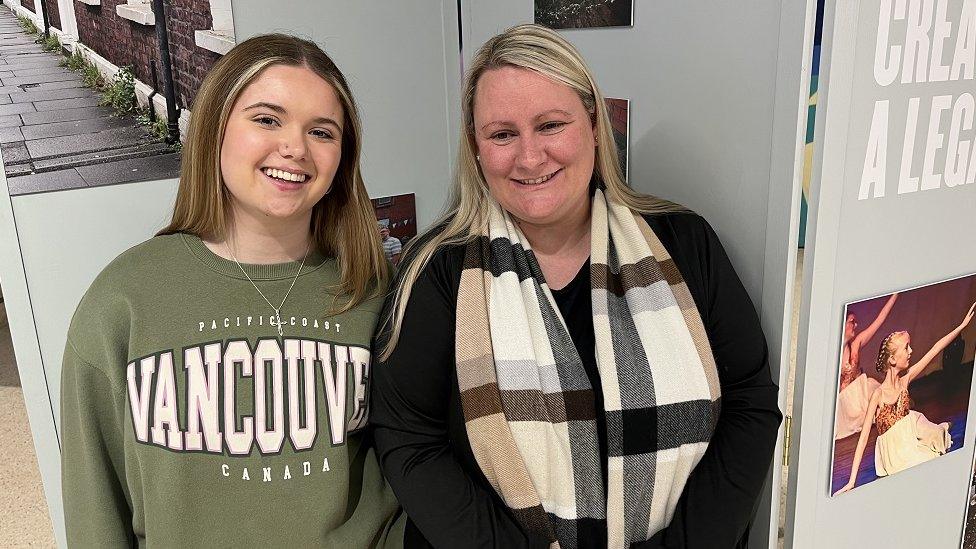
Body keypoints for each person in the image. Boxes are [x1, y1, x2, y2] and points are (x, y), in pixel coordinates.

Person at [370, 24, 781, 548]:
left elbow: (751, 399)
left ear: (593, 124)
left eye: (550, 125)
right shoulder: (435, 275)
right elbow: (410, 443)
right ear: (476, 149)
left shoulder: (685, 244)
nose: (530, 157)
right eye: (502, 134)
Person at [60, 34, 401, 547]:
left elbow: (412, 466)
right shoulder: (122, 301)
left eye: (322, 132)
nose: (295, 148)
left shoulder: (373, 293)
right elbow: (95, 507)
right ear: (216, 129)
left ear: (342, 156)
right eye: (266, 119)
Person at [835, 302, 976, 495]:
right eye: (906, 348)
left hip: (910, 426)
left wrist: (962, 326)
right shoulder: (878, 394)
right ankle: (940, 428)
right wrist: (851, 482)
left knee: (934, 439)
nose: (911, 351)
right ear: (892, 359)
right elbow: (863, 438)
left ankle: (941, 428)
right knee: (925, 454)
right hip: (895, 450)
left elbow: (935, 349)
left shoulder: (905, 380)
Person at [834, 292, 898, 440]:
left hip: (861, 392)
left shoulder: (856, 344)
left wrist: (895, 295)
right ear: (842, 324)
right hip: (847, 402)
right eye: (852, 322)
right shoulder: (831, 352)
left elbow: (879, 320)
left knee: (874, 388)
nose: (855, 325)